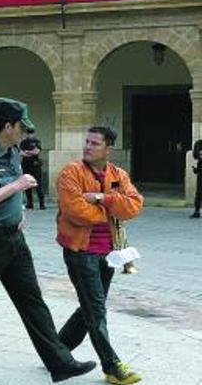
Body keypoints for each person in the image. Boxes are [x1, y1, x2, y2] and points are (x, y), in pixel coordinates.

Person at [0, 98, 96, 385]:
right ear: (7, 126)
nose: (26, 133)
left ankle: (60, 363)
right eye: (22, 127)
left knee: (32, 300)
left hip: (13, 240)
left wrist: (20, 210)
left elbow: (14, 188)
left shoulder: (12, 151)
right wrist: (17, 187)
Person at [55, 126, 144, 385]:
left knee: (91, 307)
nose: (87, 147)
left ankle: (56, 350)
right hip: (79, 252)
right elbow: (75, 211)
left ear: (108, 149)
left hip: (108, 253)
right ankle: (112, 366)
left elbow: (134, 205)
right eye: (87, 142)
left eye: (94, 143)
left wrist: (101, 197)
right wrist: (112, 206)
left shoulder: (118, 174)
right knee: (96, 310)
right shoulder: (71, 172)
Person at [20, 129, 45, 210]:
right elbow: (20, 153)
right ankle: (30, 204)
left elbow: (37, 152)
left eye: (31, 134)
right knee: (27, 185)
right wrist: (31, 152)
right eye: (28, 134)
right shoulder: (23, 142)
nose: (30, 135)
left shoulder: (37, 142)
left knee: (38, 185)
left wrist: (27, 152)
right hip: (26, 165)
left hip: (35, 165)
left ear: (34, 134)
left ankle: (42, 204)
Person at [191, 137, 202, 218]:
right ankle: (197, 211)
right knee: (199, 192)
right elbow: (195, 155)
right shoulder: (199, 143)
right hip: (201, 172)